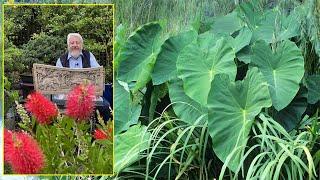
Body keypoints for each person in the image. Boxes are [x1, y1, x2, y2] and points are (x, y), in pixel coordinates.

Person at [55, 33, 110, 123]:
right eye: (72, 43)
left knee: (106, 107)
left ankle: (100, 133)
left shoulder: (89, 56)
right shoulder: (61, 60)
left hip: (87, 94)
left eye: (77, 43)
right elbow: (58, 82)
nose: (75, 45)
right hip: (68, 95)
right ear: (68, 45)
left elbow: (98, 73)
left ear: (82, 45)